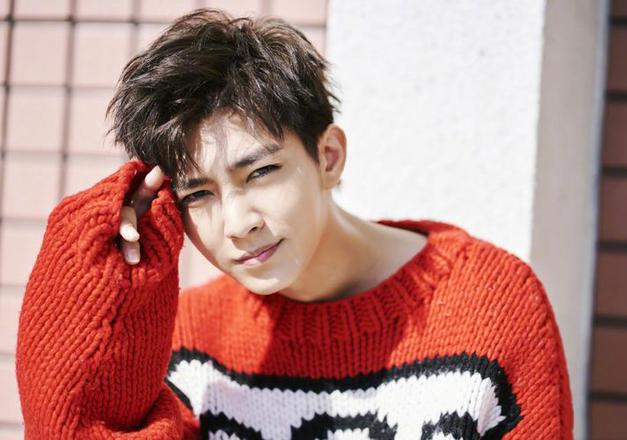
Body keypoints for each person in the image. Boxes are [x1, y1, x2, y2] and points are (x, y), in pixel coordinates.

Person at [15, 8, 573, 440]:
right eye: (199, 194)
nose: (237, 224)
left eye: (259, 173)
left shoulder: (493, 303)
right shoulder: (190, 344)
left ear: (328, 157)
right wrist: (100, 274)